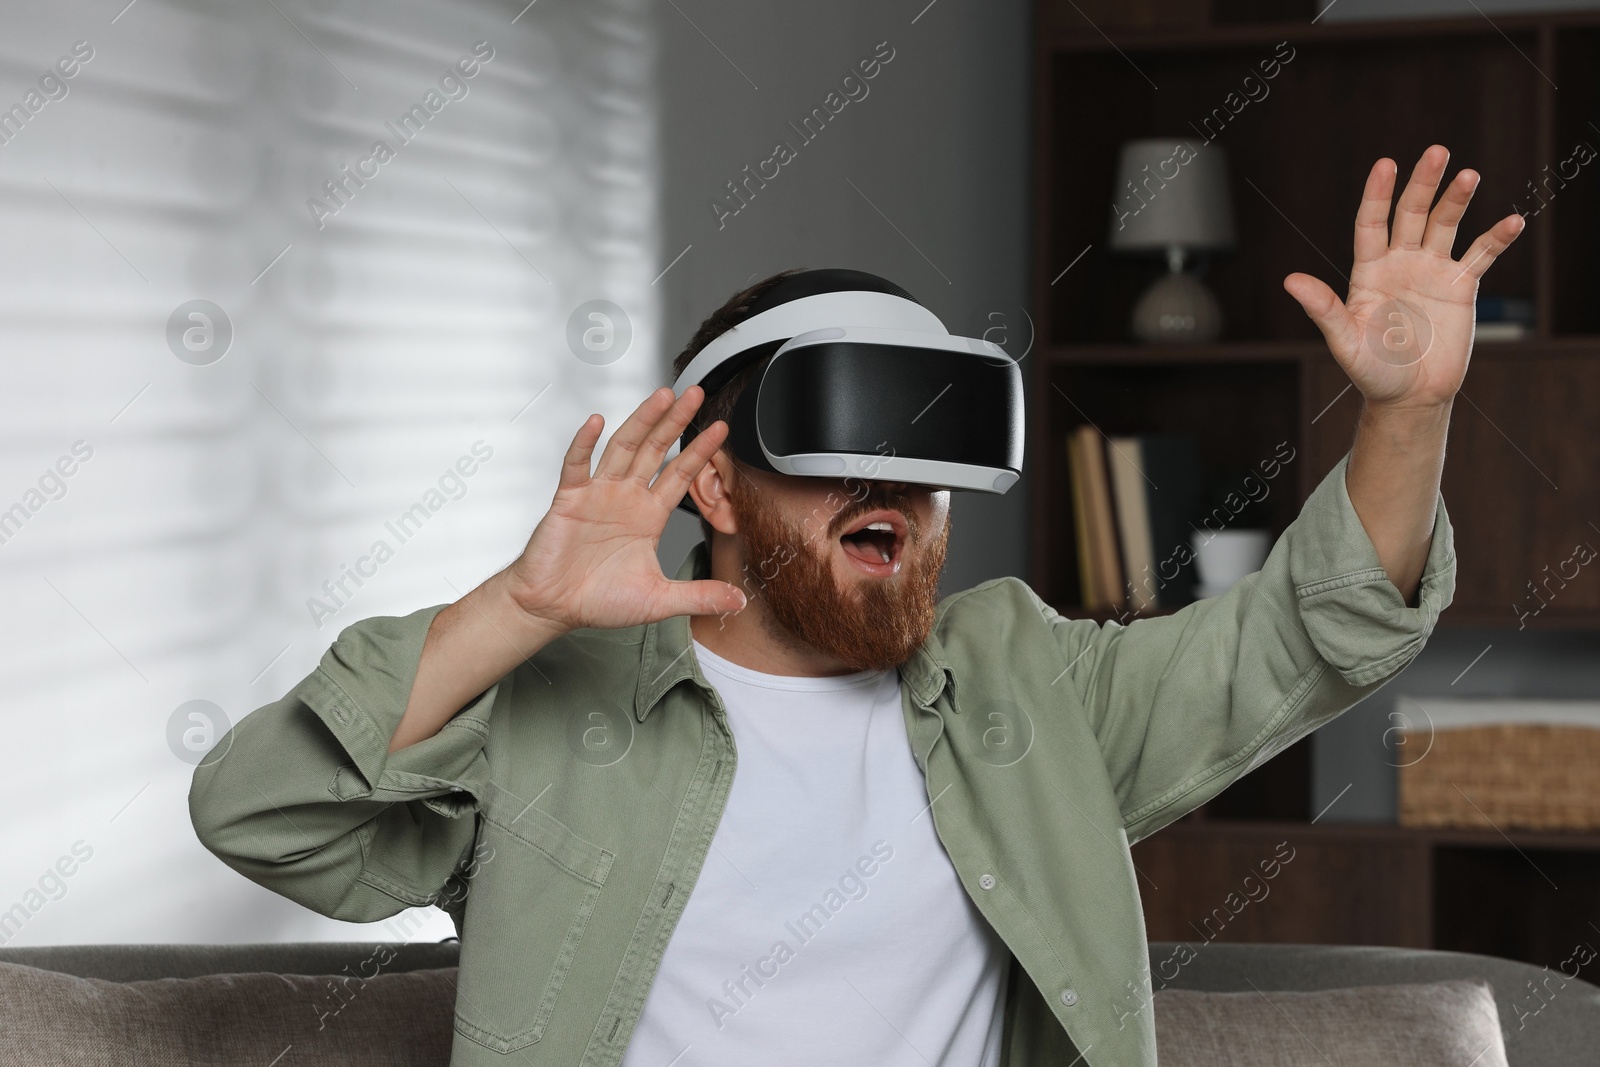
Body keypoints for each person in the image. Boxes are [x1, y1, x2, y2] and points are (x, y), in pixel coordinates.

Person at [189, 145, 1522, 1067]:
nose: (894, 483)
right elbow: (261, 811)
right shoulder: (550, 710)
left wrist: (1408, 415)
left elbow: (1314, 633)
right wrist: (521, 606)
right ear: (713, 479)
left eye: (929, 452)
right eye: (842, 443)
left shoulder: (1032, 688)